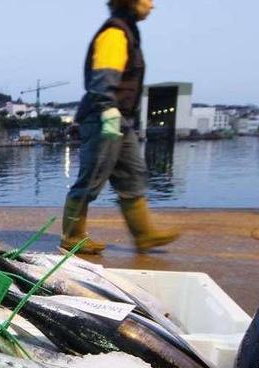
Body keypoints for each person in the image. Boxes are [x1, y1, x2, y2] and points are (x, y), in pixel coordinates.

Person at [60, 0, 178, 254]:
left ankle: (144, 234)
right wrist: (107, 107)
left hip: (120, 118)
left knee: (133, 174)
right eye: (147, 0)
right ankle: (72, 236)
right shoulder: (115, 32)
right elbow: (104, 75)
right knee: (92, 177)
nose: (152, 5)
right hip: (104, 116)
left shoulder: (127, 31)